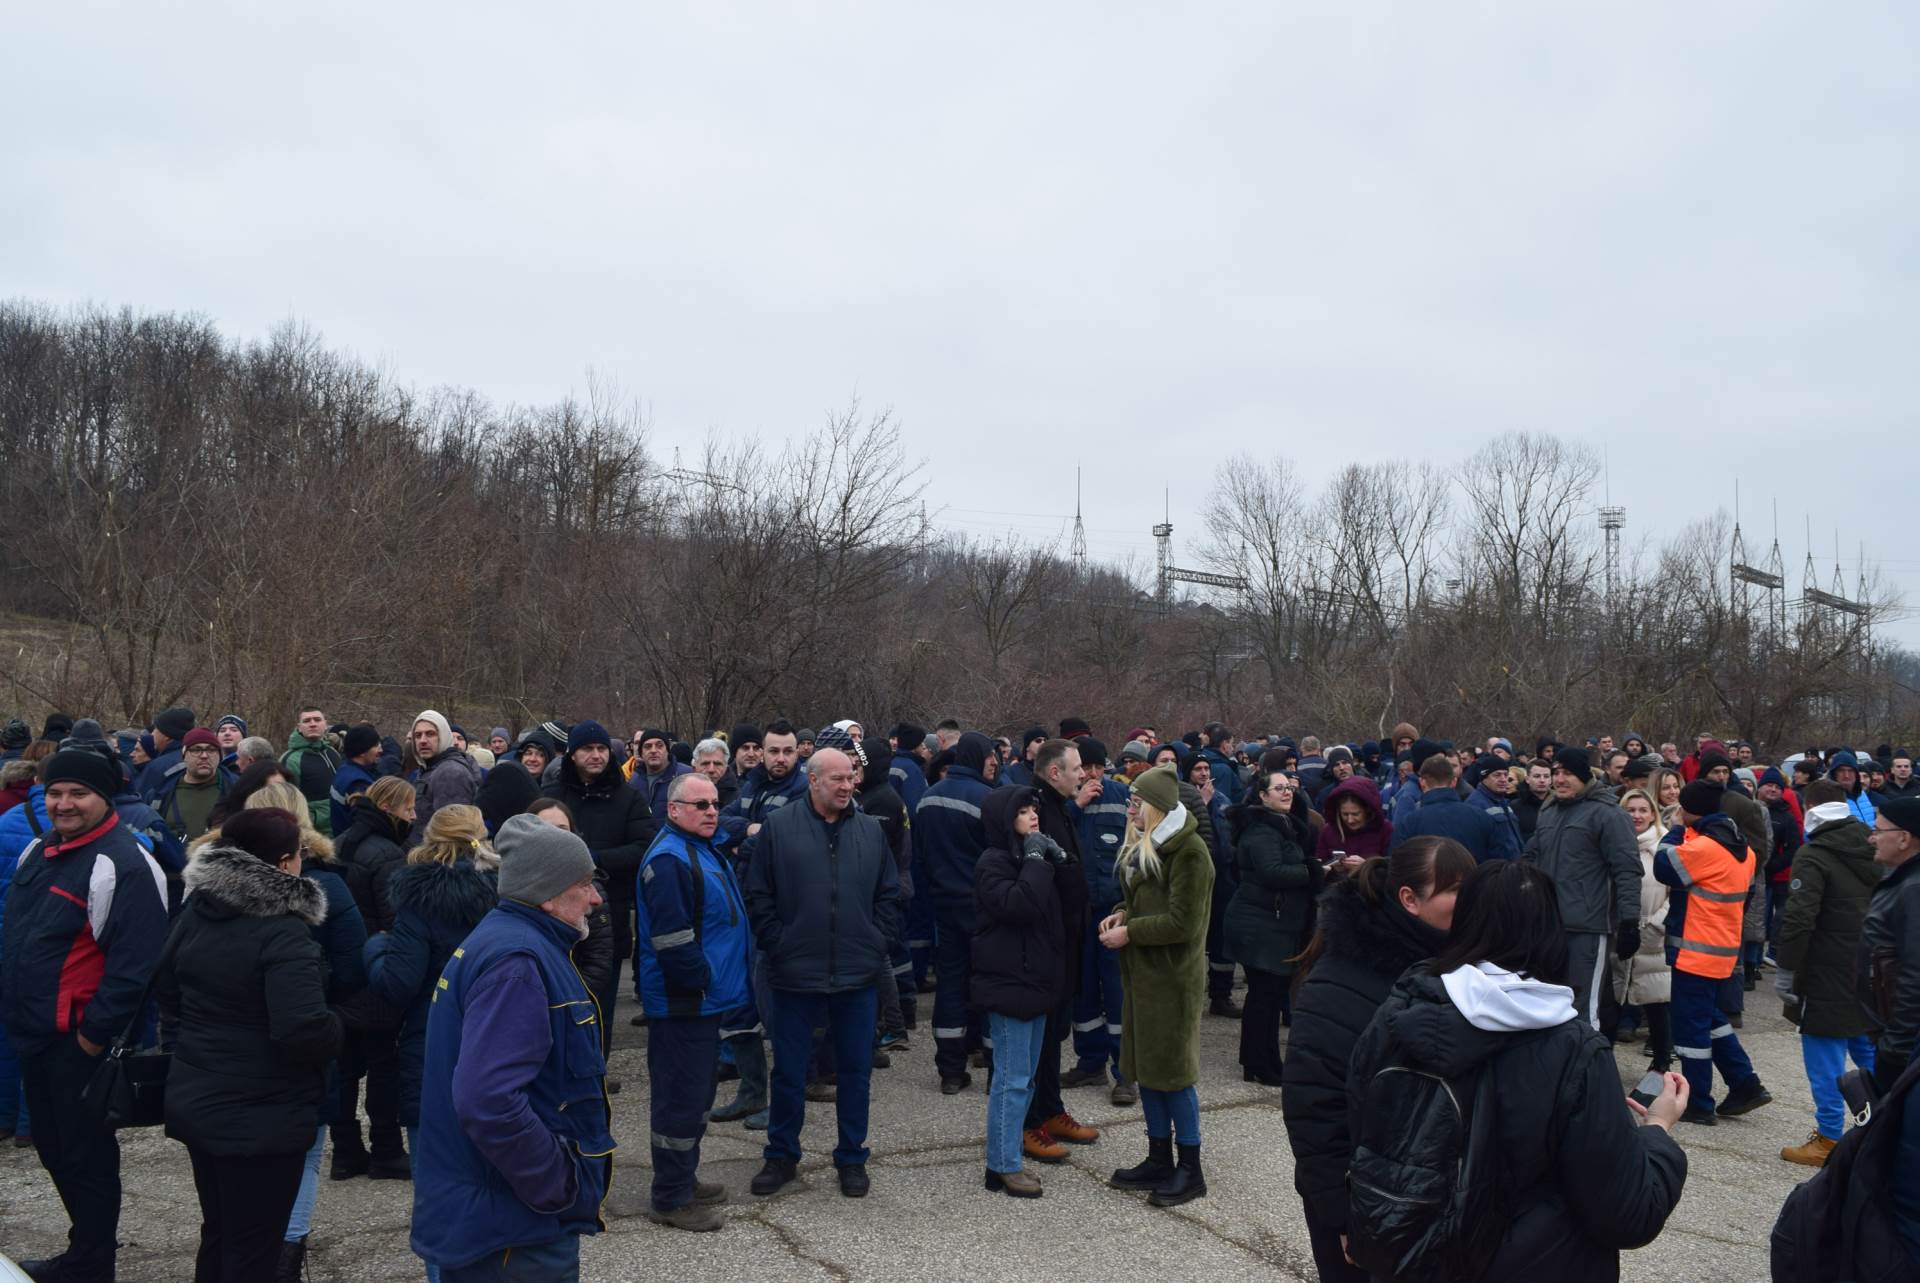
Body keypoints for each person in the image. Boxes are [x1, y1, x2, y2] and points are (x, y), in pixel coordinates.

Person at [1345, 859, 1688, 1281]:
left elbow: (1359, 1125)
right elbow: (1628, 1213)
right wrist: (1658, 1130)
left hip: (1411, 1257)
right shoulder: (1575, 1051)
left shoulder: (1402, 1006)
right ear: (1551, 930)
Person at [408, 812, 612, 1282]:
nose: (596, 898)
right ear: (548, 892)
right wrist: (555, 1183)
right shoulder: (516, 963)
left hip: (504, 1217)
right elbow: (488, 1099)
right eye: (584, 884)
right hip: (512, 1228)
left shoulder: (514, 943)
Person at [0, 749, 169, 1283]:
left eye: (78, 794)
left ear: (104, 798)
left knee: (86, 1157)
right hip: (32, 1033)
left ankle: (93, 1264)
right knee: (53, 1149)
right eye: (55, 792)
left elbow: (137, 967)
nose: (63, 803)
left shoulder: (125, 862)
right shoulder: (39, 849)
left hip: (79, 1040)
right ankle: (84, 1251)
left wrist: (93, 1039)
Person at [158, 807, 344, 1283]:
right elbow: (301, 1029)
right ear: (285, 864)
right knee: (254, 1248)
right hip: (262, 1116)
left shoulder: (197, 909)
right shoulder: (283, 931)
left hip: (201, 1098)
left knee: (220, 1232)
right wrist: (341, 1027)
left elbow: (168, 990)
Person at [1279, 837, 1473, 1283]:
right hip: (1359, 1202)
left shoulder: (1450, 967)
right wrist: (1342, 1217)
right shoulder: (1341, 981)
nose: (1471, 902)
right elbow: (1313, 1109)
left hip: (1422, 1197)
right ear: (1410, 899)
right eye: (1458, 889)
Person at [744, 748, 898, 1200]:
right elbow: (758, 894)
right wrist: (779, 943)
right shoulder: (779, 828)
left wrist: (876, 943)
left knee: (855, 1073)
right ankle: (781, 1156)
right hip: (794, 974)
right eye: (836, 779)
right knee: (790, 1072)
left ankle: (851, 1158)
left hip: (857, 975)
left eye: (850, 777)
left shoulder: (870, 831)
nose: (847, 785)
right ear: (812, 780)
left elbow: (889, 895)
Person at [365, 804, 501, 1209]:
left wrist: (376, 950)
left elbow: (398, 982)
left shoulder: (418, 899)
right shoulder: (506, 891)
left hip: (433, 1040)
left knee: (437, 1186)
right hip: (496, 1033)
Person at [633, 773, 753, 1231]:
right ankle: (670, 1197)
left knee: (696, 1094)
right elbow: (674, 941)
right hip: (685, 1004)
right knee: (680, 1099)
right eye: (699, 804)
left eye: (713, 803)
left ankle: (683, 1176)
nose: (710, 811)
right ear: (673, 809)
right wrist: (701, 983)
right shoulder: (668, 861)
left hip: (705, 1001)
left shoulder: (698, 848)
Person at [1102, 764, 1214, 1208]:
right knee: (1148, 1071)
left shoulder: (1190, 852)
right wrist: (1121, 914)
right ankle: (1158, 1157)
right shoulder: (1149, 844)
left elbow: (1184, 923)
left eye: (1136, 803)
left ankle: (1191, 1168)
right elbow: (1145, 903)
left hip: (1172, 980)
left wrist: (1130, 933)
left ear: (1155, 807)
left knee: (1173, 1075)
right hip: (1145, 978)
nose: (1129, 809)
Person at [971, 785, 1075, 1198]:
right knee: (1011, 1081)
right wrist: (1035, 859)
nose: (1033, 815)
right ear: (1003, 818)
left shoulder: (1033, 859)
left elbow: (1069, 904)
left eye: (1035, 809)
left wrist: (1060, 861)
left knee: (1025, 1080)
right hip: (1010, 984)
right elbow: (1020, 905)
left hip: (1037, 983)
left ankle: (1008, 1152)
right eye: (1023, 810)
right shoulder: (992, 863)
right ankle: (1001, 1166)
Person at [1654, 780, 1774, 1124]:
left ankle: (1698, 1103)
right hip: (1722, 950)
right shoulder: (1744, 849)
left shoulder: (1705, 847)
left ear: (1691, 810)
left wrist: (1676, 830)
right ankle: (1745, 1084)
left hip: (1695, 952)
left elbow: (1664, 867)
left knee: (1691, 1029)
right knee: (1712, 1020)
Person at [1776, 779, 1881, 1166]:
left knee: (1823, 1057)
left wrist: (1786, 969)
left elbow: (1800, 918)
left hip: (1823, 971)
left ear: (1808, 807)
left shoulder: (1814, 853)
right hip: (1867, 965)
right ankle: (1882, 1130)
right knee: (1869, 1053)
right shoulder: (1872, 844)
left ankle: (1829, 1136)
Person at [543, 719, 652, 1045]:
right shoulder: (551, 797)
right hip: (554, 917)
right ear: (572, 755)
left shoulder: (628, 798)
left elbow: (643, 847)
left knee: (599, 1011)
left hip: (607, 917)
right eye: (587, 749)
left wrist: (592, 859)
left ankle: (596, 1081)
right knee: (556, 1009)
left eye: (601, 748)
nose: (596, 755)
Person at [1016, 739, 1099, 1165]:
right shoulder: (1034, 812)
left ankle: (1050, 1111)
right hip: (1045, 946)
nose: (1083, 774)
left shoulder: (1061, 807)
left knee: (1053, 1038)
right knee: (1036, 1041)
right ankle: (1028, 1124)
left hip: (1067, 943)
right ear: (1054, 773)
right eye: (1077, 768)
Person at [330, 774, 416, 1183]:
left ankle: (345, 1150)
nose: (413, 816)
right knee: (384, 1064)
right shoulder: (387, 855)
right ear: (388, 809)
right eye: (409, 808)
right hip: (373, 972)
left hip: (340, 973)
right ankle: (386, 1149)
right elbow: (395, 920)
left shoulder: (342, 841)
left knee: (345, 1068)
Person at [1522, 747, 1641, 1030]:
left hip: (1588, 927)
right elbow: (1530, 857)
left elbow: (1627, 870)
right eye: (1556, 773)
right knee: (1548, 1004)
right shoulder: (1549, 810)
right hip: (1548, 925)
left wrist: (1629, 922)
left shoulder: (1609, 814)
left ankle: (1589, 1071)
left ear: (1585, 776)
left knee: (1583, 1010)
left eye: (1568, 773)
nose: (1560, 779)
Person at [1224, 769, 1319, 1085]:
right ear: (1262, 795)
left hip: (1270, 921)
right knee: (1265, 995)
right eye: (1279, 788)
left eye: (1290, 787)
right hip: (1259, 924)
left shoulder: (1281, 824)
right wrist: (1312, 870)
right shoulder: (1262, 829)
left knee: (1267, 994)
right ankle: (1261, 1064)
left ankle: (1258, 1062)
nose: (1287, 792)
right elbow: (1272, 871)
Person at [915, 731, 995, 1093]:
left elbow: (919, 856)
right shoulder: (988, 800)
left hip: (943, 906)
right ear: (978, 758)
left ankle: (950, 1069)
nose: (994, 762)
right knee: (990, 985)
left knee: (949, 985)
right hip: (983, 908)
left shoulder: (926, 799)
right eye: (990, 756)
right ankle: (995, 1066)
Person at [1062, 739, 1135, 1104]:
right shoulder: (1065, 802)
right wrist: (1075, 806)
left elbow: (1136, 846)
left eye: (1096, 767)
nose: (1091, 775)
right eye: (1084, 768)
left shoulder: (1122, 795)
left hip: (1112, 912)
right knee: (1084, 990)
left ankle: (1126, 1073)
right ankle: (1090, 1062)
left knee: (1118, 991)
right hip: (1077, 913)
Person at [1861, 797, 1920, 1092]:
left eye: (1879, 830)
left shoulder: (1914, 888)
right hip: (1891, 1036)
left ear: (1904, 839)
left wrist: (1897, 1046)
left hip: (1903, 1047)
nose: (1872, 838)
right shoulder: (1902, 881)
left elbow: (1915, 973)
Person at [1614, 788, 1674, 1074]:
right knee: (1612, 998)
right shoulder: (1612, 844)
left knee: (1656, 1001)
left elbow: (1676, 894)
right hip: (1619, 933)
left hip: (1653, 935)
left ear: (1652, 813)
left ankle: (1662, 1060)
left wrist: (1657, 925)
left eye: (1642, 810)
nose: (1637, 815)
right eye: (1630, 809)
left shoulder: (1664, 847)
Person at [1394, 752, 1507, 864]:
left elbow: (1398, 865)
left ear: (1422, 782)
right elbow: (1498, 862)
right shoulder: (1482, 818)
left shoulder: (1409, 823)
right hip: (1474, 880)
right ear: (1453, 782)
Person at [154, 727, 237, 843]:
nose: (204, 755)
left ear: (219, 756)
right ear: (184, 755)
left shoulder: (236, 790)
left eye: (211, 750)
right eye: (196, 750)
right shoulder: (160, 792)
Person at [408, 710, 482, 836]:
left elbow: (450, 835)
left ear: (443, 736)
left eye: (430, 734)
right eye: (418, 735)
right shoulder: (428, 767)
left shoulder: (450, 773)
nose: (423, 740)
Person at [1311, 775, 1393, 874]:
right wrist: (1331, 868)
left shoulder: (1385, 829)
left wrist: (1367, 866)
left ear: (1367, 810)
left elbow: (1392, 869)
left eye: (1355, 814)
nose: (1350, 820)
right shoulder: (1328, 831)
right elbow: (1320, 865)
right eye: (1345, 814)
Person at [281, 707, 343, 837]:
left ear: (325, 724)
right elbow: (286, 803)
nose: (313, 723)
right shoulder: (290, 759)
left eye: (317, 720)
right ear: (299, 727)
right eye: (307, 720)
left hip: (342, 828)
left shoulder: (332, 752)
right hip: (315, 837)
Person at [328, 723, 383, 837]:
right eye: (376, 745)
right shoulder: (358, 783)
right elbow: (367, 825)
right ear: (362, 751)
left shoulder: (344, 769)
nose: (381, 750)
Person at [630, 728, 691, 823]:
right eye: (648, 746)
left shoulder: (685, 775)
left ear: (667, 750)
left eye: (659, 746)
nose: (653, 750)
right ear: (641, 753)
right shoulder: (635, 779)